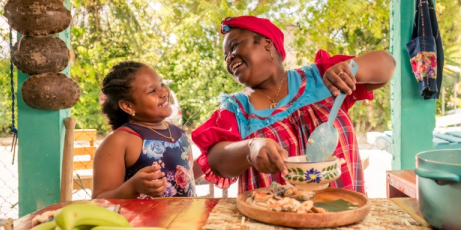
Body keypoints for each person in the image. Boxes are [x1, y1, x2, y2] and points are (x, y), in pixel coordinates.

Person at [191, 16, 396, 194]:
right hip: (275, 226)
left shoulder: (321, 78)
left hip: (341, 217)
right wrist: (250, 148)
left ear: (266, 43)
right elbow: (216, 161)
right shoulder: (236, 109)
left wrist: (354, 70)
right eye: (225, 56)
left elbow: (387, 64)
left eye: (234, 46)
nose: (229, 58)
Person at [92, 61, 199, 199]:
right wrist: (132, 187)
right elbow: (99, 199)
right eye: (152, 91)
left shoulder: (178, 133)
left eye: (161, 84)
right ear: (128, 106)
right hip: (142, 220)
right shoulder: (119, 141)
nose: (164, 92)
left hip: (185, 218)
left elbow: (185, 176)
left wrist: (210, 159)